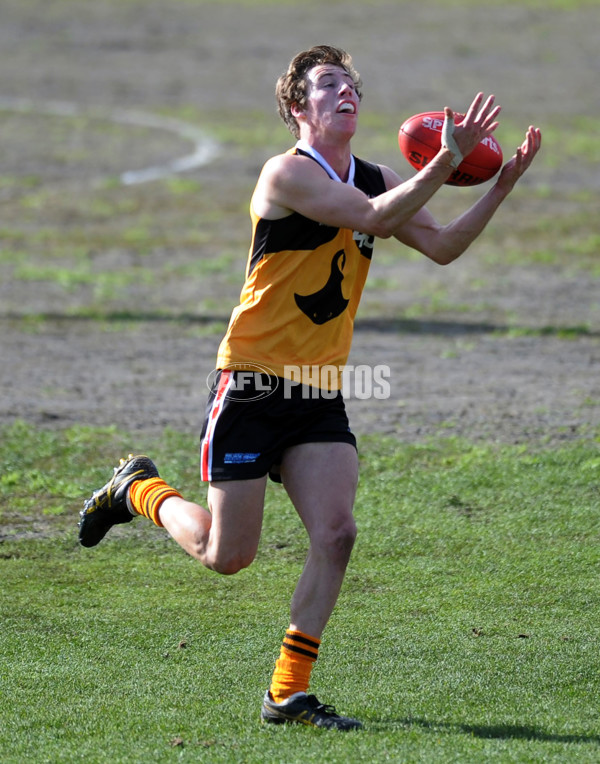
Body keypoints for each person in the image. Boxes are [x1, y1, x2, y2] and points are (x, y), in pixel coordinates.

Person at [79, 45, 541, 730]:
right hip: (253, 386)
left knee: (337, 532)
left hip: (319, 386)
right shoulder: (286, 175)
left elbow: (441, 246)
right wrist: (446, 161)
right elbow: (377, 218)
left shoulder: (376, 175)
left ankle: (286, 693)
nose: (346, 91)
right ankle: (137, 489)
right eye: (328, 84)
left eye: (351, 83)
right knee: (226, 556)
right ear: (299, 107)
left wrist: (500, 184)